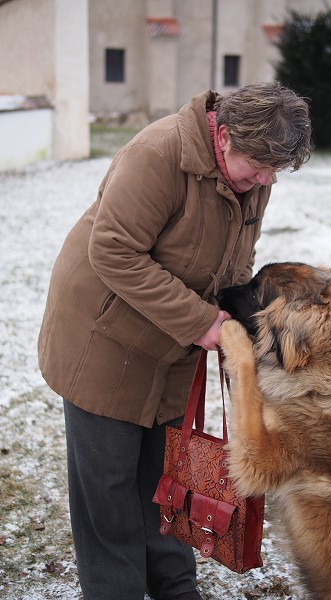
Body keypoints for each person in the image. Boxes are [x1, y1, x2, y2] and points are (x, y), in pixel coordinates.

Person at [37, 81, 311, 600]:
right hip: (102, 342)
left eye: (276, 171)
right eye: (260, 166)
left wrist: (240, 329)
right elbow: (113, 251)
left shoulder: (255, 170)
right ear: (224, 136)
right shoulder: (157, 155)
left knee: (167, 488)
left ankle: (177, 591)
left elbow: (237, 262)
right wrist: (203, 323)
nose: (267, 180)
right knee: (111, 500)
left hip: (170, 348)